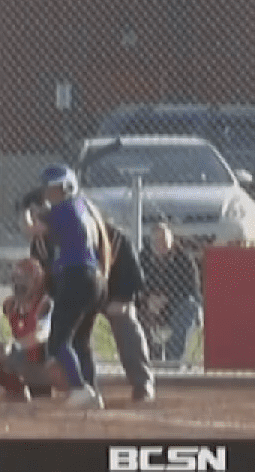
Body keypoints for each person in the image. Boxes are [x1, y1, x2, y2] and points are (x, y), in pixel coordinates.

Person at [33, 165, 111, 409]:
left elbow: (33, 230)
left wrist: (26, 214)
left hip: (76, 276)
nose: (49, 194)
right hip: (94, 277)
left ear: (67, 188)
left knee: (58, 341)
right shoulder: (84, 207)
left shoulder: (64, 209)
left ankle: (79, 388)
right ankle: (91, 389)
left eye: (54, 189)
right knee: (80, 340)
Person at [0, 257, 63, 403]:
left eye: (24, 279)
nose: (18, 284)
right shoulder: (10, 305)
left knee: (18, 354)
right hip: (26, 359)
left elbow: (42, 334)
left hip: (47, 363)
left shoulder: (45, 303)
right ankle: (16, 390)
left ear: (36, 281)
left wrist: (15, 346)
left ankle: (45, 391)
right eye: (16, 279)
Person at [99, 216, 157, 404]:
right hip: (83, 295)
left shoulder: (117, 240)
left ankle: (142, 382)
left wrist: (123, 300)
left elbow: (135, 278)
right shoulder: (67, 239)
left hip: (114, 295)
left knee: (125, 320)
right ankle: (76, 383)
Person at [141, 219, 201, 364]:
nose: (161, 245)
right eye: (157, 241)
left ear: (172, 241)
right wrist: (148, 299)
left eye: (164, 241)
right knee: (132, 310)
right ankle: (150, 358)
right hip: (149, 305)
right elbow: (135, 286)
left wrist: (167, 298)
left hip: (176, 305)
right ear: (151, 242)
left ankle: (172, 361)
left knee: (190, 306)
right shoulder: (142, 258)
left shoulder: (184, 259)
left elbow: (192, 289)